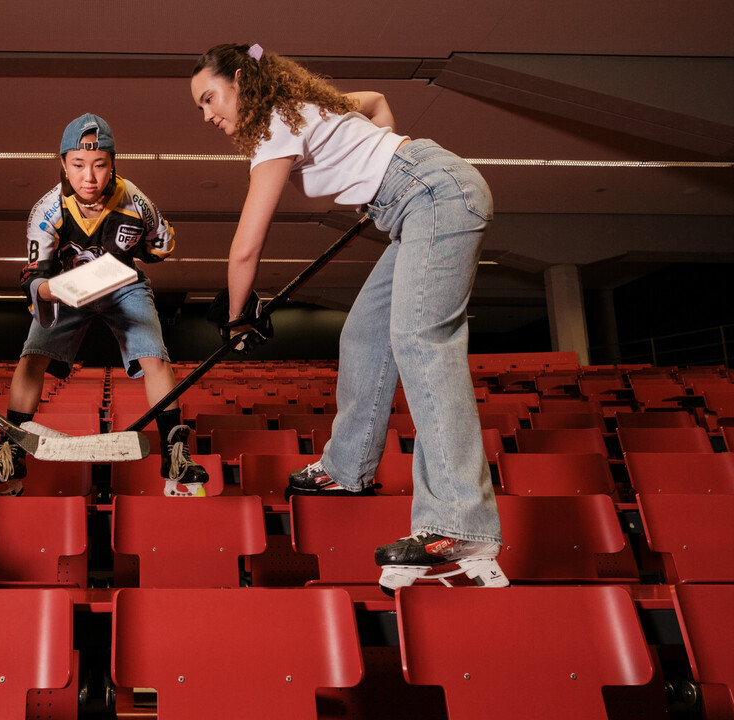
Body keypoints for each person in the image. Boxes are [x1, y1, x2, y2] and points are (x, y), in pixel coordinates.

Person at [191, 43, 506, 594]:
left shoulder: (272, 127)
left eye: (210, 98)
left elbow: (246, 246)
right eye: (200, 107)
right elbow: (378, 102)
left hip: (436, 194)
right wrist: (379, 183)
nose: (207, 114)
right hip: (420, 196)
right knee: (364, 333)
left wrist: (237, 315)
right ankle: (346, 466)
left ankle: (460, 524)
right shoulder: (300, 106)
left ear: (241, 79)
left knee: (421, 341)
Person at [0, 113, 209, 498]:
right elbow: (36, 278)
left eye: (100, 165)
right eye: (79, 165)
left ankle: (174, 450)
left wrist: (151, 247)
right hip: (67, 287)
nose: (90, 176)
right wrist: (55, 290)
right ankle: (12, 450)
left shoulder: (135, 200)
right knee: (32, 356)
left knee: (155, 357)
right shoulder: (47, 210)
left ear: (113, 164)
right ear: (63, 165)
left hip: (123, 285)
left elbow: (162, 247)